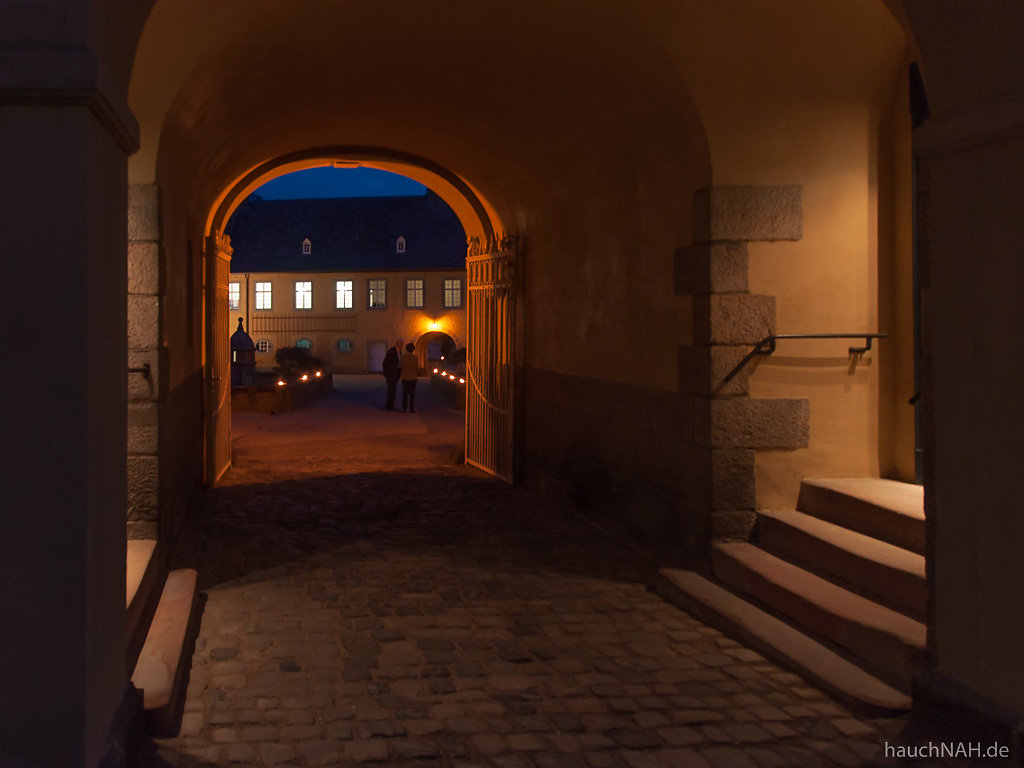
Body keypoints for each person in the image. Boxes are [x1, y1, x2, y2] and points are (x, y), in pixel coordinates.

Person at [382, 338, 402, 410]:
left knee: (393, 390)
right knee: (391, 390)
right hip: (391, 374)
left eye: (402, 343)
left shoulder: (399, 351)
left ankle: (391, 405)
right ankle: (389, 406)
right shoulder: (392, 351)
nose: (401, 345)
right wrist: (386, 372)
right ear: (396, 343)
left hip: (395, 374)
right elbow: (386, 362)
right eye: (400, 343)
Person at [400, 342, 419, 413]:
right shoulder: (415, 358)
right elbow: (416, 367)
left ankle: (403, 408)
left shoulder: (403, 357)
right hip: (413, 377)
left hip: (404, 377)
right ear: (413, 350)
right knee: (412, 394)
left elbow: (401, 366)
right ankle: (411, 408)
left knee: (404, 393)